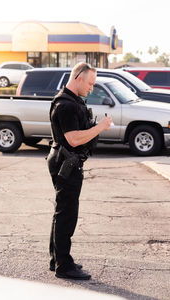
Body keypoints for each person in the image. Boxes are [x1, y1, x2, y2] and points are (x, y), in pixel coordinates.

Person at [47, 62, 112, 280]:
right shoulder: (66, 105)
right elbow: (73, 139)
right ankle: (64, 266)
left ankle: (57, 259)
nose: (91, 88)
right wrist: (100, 127)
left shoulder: (71, 101)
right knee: (67, 214)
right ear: (78, 78)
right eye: (90, 83)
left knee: (62, 211)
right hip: (67, 163)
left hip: (66, 161)